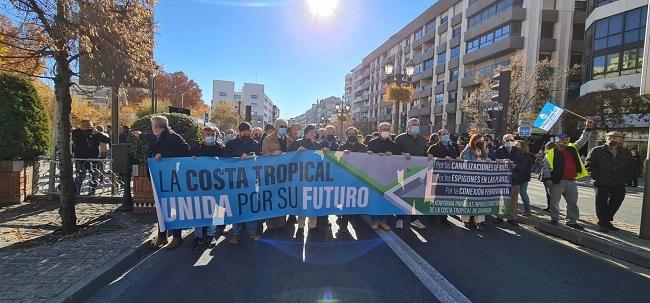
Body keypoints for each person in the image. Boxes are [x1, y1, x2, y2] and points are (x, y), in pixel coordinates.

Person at [131, 115, 190, 249]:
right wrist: (140, 135)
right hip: (161, 178)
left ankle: (177, 236)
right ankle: (162, 236)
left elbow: (185, 150)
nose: (151, 128)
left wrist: (163, 154)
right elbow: (151, 137)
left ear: (156, 127)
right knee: (161, 207)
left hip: (172, 178)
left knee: (174, 207)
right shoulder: (159, 136)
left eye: (152, 126)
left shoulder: (173, 137)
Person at [541, 122, 593, 229]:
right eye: (562, 140)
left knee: (572, 202)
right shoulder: (551, 152)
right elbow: (546, 167)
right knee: (555, 202)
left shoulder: (572, 148)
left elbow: (582, 140)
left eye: (566, 140)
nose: (564, 142)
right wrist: (548, 179)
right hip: (557, 181)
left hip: (571, 180)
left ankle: (571, 221)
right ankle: (554, 219)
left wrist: (587, 129)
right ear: (556, 142)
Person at [585, 131, 634, 232]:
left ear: (620, 140)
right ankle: (603, 223)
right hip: (602, 182)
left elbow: (632, 167)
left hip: (618, 182)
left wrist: (626, 178)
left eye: (616, 138)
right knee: (601, 202)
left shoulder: (625, 152)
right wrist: (596, 176)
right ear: (606, 138)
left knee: (617, 200)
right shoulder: (597, 150)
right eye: (610, 137)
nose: (612, 139)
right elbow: (589, 164)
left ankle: (607, 220)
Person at [224, 122, 262, 245]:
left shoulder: (255, 143)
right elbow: (225, 157)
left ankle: (252, 231)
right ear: (239, 132)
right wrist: (239, 156)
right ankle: (236, 234)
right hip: (236, 180)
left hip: (251, 180)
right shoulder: (231, 144)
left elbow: (260, 157)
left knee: (251, 206)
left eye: (248, 130)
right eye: (244, 130)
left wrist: (254, 156)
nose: (246, 133)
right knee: (237, 206)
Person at [190, 126, 226, 249]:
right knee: (199, 211)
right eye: (207, 133)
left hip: (217, 185)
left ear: (216, 135)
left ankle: (211, 235)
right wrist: (191, 160)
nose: (210, 135)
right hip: (200, 185)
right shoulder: (196, 149)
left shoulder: (221, 149)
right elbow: (187, 165)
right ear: (203, 134)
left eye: (212, 133)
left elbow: (228, 163)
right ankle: (198, 236)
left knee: (216, 210)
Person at [394, 118, 428, 230]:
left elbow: (425, 153)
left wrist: (429, 156)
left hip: (418, 171)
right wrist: (402, 154)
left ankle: (415, 219)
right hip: (403, 170)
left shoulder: (422, 140)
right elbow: (394, 152)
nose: (415, 127)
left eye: (417, 125)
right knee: (402, 194)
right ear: (408, 126)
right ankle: (400, 218)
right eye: (413, 125)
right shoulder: (400, 138)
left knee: (415, 195)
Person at [262, 118, 294, 231]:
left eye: (285, 126)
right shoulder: (267, 139)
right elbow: (264, 155)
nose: (283, 128)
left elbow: (294, 155)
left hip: (286, 173)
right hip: (272, 173)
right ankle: (271, 224)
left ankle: (281, 223)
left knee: (283, 197)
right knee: (272, 197)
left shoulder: (290, 140)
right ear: (276, 127)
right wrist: (272, 154)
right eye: (281, 126)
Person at [367, 122, 400, 231]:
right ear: (379, 130)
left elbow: (398, 160)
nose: (385, 130)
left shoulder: (394, 145)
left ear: (390, 131)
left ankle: (384, 221)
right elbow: (367, 156)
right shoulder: (372, 143)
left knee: (386, 199)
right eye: (383, 129)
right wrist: (374, 155)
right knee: (375, 198)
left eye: (387, 129)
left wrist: (393, 156)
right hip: (375, 174)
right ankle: (375, 221)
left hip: (389, 175)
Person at [291, 124, 324, 230]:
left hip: (314, 178)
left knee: (313, 200)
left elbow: (321, 160)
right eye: (315, 131)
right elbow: (289, 158)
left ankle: (312, 224)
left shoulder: (317, 145)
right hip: (301, 178)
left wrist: (326, 153)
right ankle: (301, 224)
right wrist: (296, 152)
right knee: (302, 200)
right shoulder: (297, 143)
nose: (316, 133)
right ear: (308, 131)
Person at [336, 127, 368, 232]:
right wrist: (342, 155)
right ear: (346, 135)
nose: (351, 135)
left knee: (357, 201)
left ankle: (356, 223)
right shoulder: (341, 147)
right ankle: (343, 224)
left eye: (353, 134)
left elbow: (368, 161)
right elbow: (336, 160)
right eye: (349, 134)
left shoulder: (363, 147)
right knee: (345, 201)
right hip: (346, 178)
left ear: (356, 134)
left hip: (359, 177)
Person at [426, 128, 458, 227]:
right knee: (434, 196)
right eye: (444, 134)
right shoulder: (433, 147)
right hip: (435, 175)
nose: (446, 135)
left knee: (445, 196)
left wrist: (455, 159)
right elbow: (428, 158)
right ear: (439, 136)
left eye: (447, 133)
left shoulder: (452, 148)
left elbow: (455, 159)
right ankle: (431, 217)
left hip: (448, 177)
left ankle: (444, 218)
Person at [493, 133, 527, 226]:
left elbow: (524, 165)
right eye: (507, 140)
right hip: (502, 180)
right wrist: (500, 161)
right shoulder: (498, 151)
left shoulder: (518, 151)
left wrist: (515, 165)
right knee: (501, 199)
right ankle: (500, 216)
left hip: (514, 179)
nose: (509, 142)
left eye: (511, 140)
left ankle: (512, 218)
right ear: (503, 141)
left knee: (514, 200)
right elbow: (492, 162)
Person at [458, 134, 489, 229]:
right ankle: (466, 220)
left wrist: (486, 160)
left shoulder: (483, 151)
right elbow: (462, 163)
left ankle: (479, 221)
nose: (480, 142)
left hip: (481, 179)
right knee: (468, 199)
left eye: (481, 140)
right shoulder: (467, 150)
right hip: (469, 179)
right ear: (473, 140)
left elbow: (486, 161)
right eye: (478, 140)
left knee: (480, 200)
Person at [72, 120, 111, 195]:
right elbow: (73, 141)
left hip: (93, 158)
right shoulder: (76, 132)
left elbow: (107, 140)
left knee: (93, 175)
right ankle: (77, 191)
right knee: (80, 175)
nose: (88, 131)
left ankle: (92, 191)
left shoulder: (95, 134)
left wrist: (97, 133)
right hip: (80, 157)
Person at [515, 140, 535, 216]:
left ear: (522, 147)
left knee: (522, 193)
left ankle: (527, 210)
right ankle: (526, 210)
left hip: (522, 178)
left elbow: (525, 168)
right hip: (521, 178)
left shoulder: (525, 156)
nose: (515, 146)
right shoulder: (521, 154)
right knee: (521, 194)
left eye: (517, 145)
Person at [538, 141, 556, 212]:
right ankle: (550, 207)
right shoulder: (549, 153)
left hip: (548, 176)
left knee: (550, 193)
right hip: (549, 175)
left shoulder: (549, 154)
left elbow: (546, 166)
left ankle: (551, 207)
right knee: (550, 193)